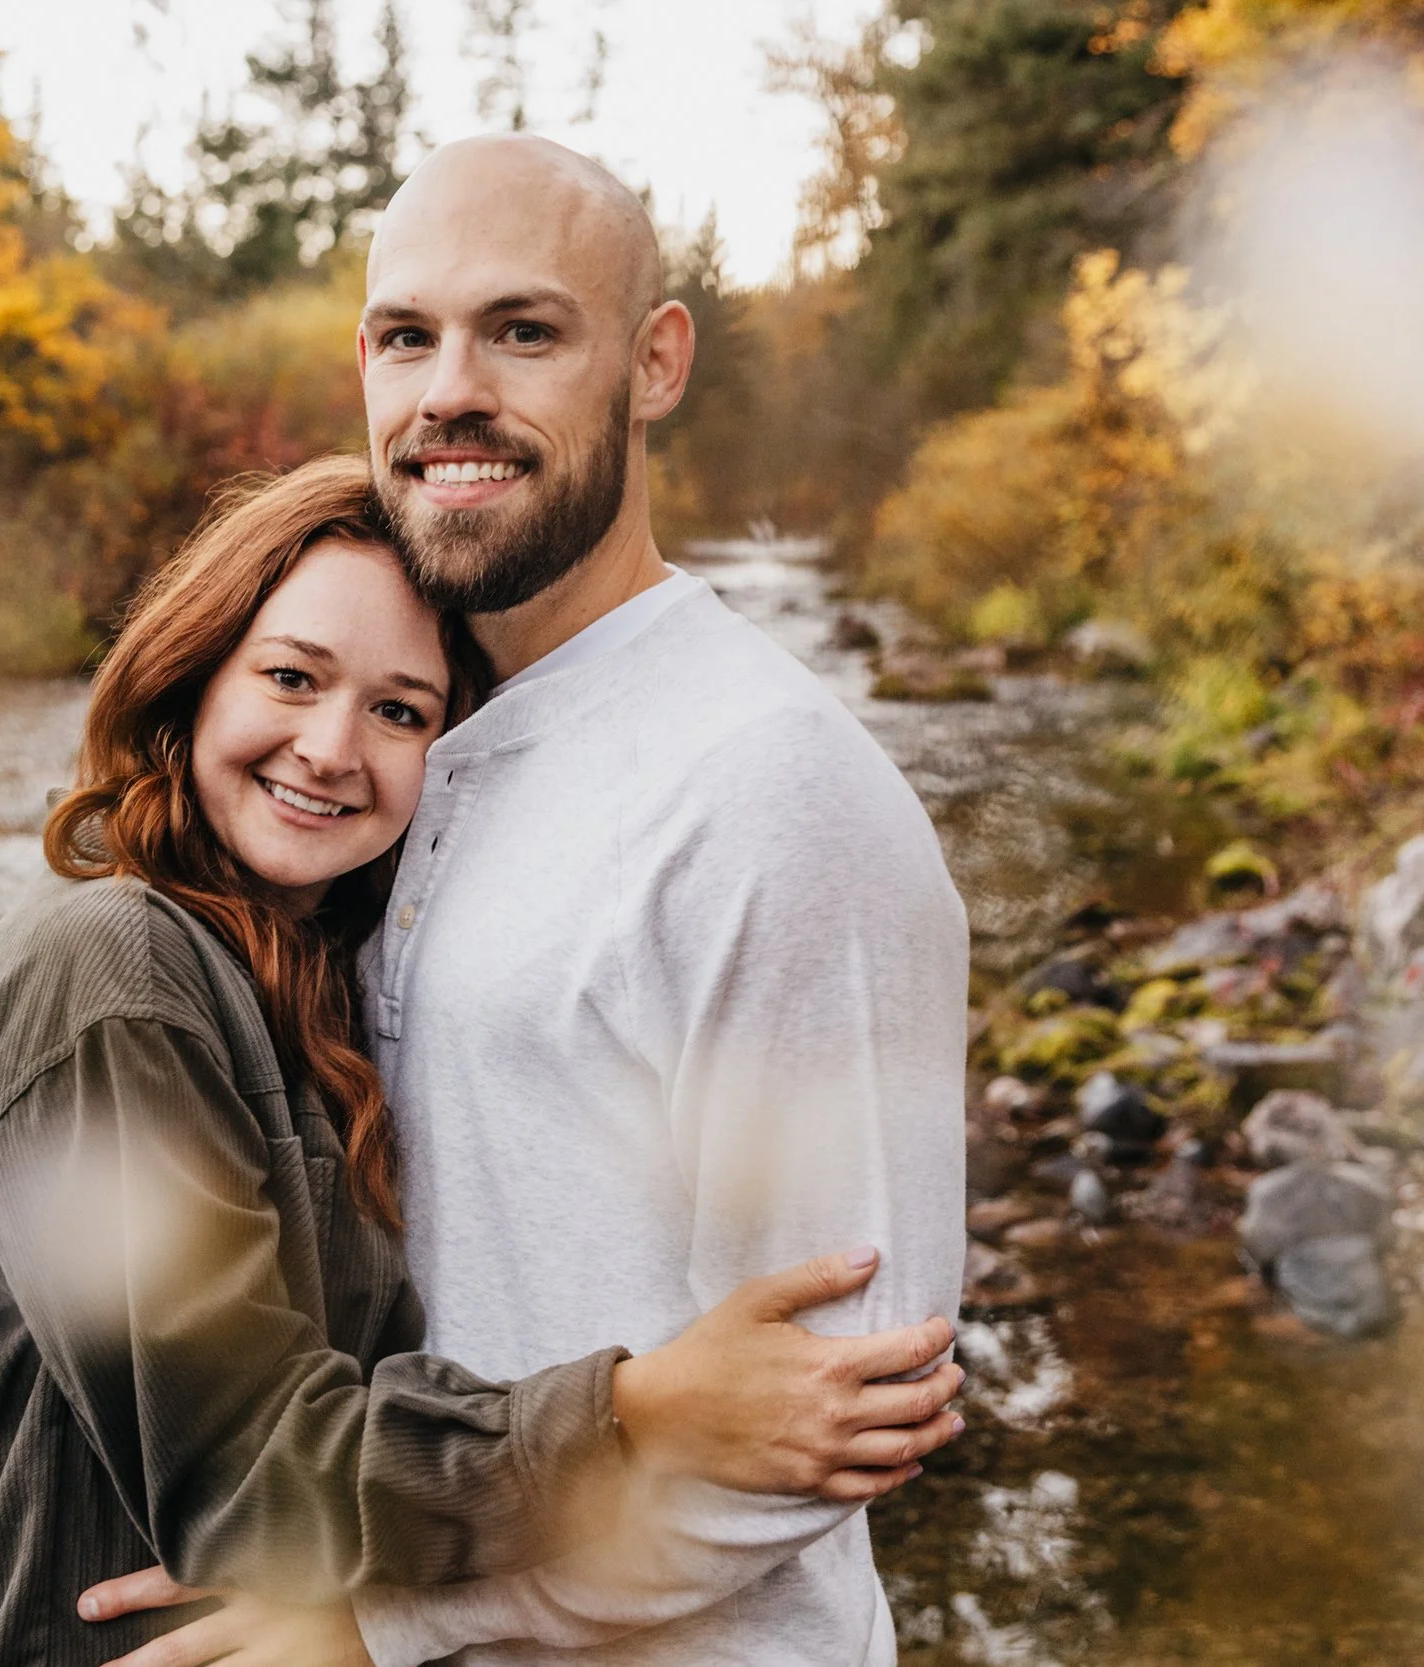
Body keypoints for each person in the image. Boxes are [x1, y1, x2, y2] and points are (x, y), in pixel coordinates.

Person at [86, 136, 970, 1667]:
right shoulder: (414, 737)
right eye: (409, 335)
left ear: (654, 362)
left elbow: (840, 1410)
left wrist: (375, 1618)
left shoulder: (769, 789)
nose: (451, 394)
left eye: (526, 330)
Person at [0, 454, 967, 1667]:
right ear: (190, 675)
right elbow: (247, 1478)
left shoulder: (294, 964)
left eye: (400, 709)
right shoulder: (110, 973)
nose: (332, 747)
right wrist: (637, 1411)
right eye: (290, 677)